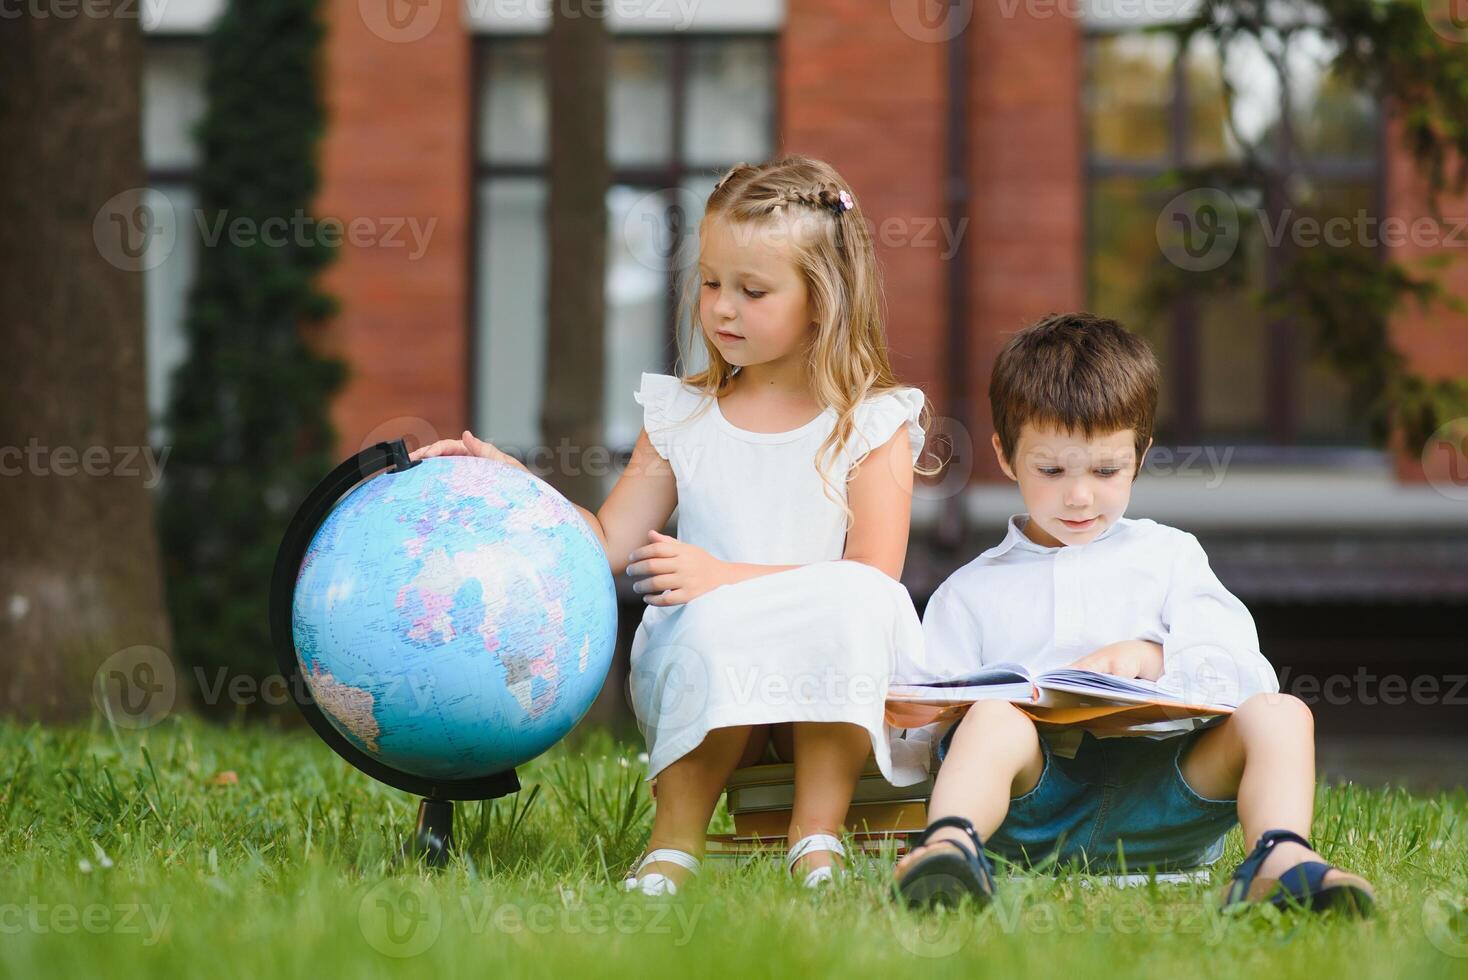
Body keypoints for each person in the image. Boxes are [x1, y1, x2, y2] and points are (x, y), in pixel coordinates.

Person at [414, 155, 936, 893]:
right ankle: (674, 843)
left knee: (854, 603)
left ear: (822, 301)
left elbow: (875, 580)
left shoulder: (871, 423)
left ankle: (816, 835)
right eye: (712, 283)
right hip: (706, 651)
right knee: (708, 614)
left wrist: (726, 576)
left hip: (831, 658)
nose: (722, 308)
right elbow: (602, 543)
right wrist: (517, 484)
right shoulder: (682, 418)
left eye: (753, 291)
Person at [893, 312, 1376, 917]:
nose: (1079, 496)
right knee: (992, 717)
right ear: (1006, 456)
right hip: (1031, 811)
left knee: (1281, 713)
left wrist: (1156, 658)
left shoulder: (1169, 555)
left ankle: (1280, 859)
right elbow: (921, 730)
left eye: (1105, 470)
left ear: (1140, 456)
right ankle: (951, 851)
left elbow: (1243, 672)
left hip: (1166, 796)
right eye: (1051, 470)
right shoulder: (969, 592)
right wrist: (920, 716)